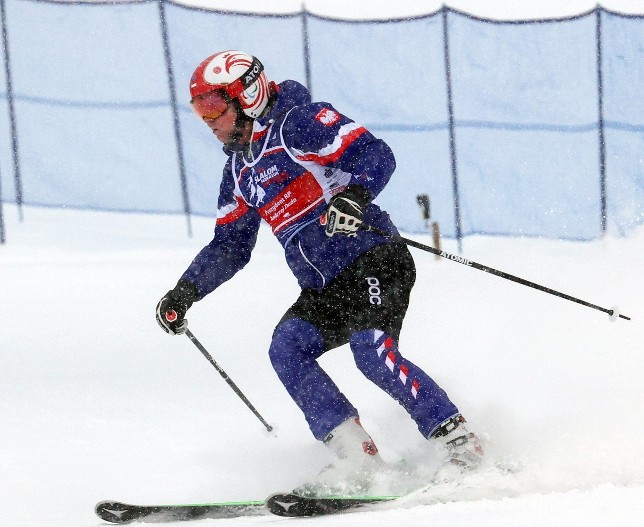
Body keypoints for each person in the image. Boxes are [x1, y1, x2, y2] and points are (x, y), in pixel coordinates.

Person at [155, 50, 482, 494]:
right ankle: (356, 458)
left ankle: (458, 441)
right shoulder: (238, 171)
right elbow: (231, 245)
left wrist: (353, 198)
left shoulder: (299, 122)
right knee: (286, 347)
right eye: (199, 110)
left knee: (370, 351)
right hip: (324, 285)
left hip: (373, 257)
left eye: (214, 106)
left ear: (246, 95)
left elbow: (374, 153)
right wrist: (184, 292)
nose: (208, 121)